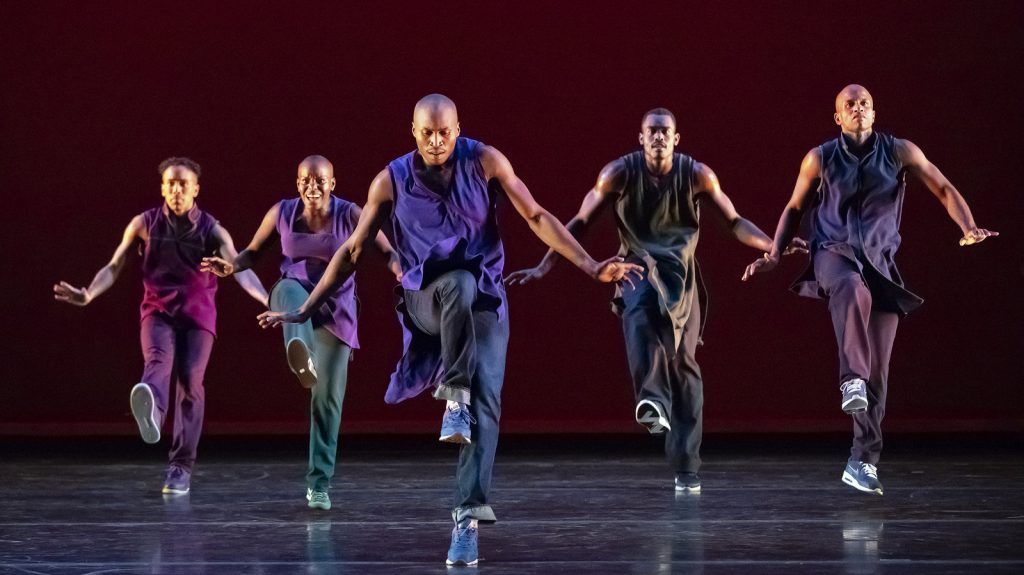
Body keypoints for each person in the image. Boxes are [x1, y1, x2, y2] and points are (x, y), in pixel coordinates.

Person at [257, 94, 643, 566]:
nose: (437, 141)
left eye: (445, 132)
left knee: (489, 399)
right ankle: (453, 393)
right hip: (427, 299)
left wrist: (590, 266)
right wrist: (304, 310)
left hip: (485, 301)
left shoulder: (485, 162)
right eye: (427, 132)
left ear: (458, 129)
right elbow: (353, 251)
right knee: (455, 282)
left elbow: (537, 216)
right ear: (413, 132)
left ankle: (466, 517)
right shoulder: (391, 180)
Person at [506, 108, 804, 494]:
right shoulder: (618, 174)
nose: (659, 137)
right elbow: (578, 222)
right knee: (641, 309)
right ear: (641, 138)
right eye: (653, 132)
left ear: (677, 139)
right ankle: (651, 401)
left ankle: (686, 465)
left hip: (683, 276)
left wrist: (773, 245)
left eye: (666, 132)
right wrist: (545, 266)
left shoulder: (698, 175)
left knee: (684, 366)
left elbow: (734, 221)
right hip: (634, 266)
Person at [742, 85, 998, 495]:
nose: (857, 109)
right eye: (849, 105)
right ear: (838, 118)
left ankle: (862, 461)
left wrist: (968, 226)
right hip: (833, 255)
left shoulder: (899, 152)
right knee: (851, 291)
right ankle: (850, 380)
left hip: (881, 266)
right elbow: (794, 207)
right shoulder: (820, 158)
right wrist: (774, 254)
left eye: (864, 104)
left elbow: (943, 188)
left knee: (878, 372)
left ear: (874, 113)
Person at [54, 157, 267, 495]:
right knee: (157, 361)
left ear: (196, 189)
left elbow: (240, 268)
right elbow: (114, 265)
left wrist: (267, 300)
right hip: (158, 313)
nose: (176, 189)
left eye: (183, 184)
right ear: (162, 188)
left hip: (198, 318)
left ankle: (180, 467)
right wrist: (88, 294)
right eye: (170, 183)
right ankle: (152, 408)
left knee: (191, 382)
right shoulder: (144, 223)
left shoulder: (212, 229)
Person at [201, 155, 400, 510]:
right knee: (290, 296)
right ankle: (302, 355)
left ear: (332, 184)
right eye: (305, 180)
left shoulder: (351, 213)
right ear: (297, 184)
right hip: (293, 293)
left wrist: (400, 270)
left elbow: (386, 250)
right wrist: (231, 266)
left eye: (320, 180)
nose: (312, 186)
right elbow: (252, 252)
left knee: (327, 402)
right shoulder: (281, 213)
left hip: (337, 308)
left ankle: (318, 485)